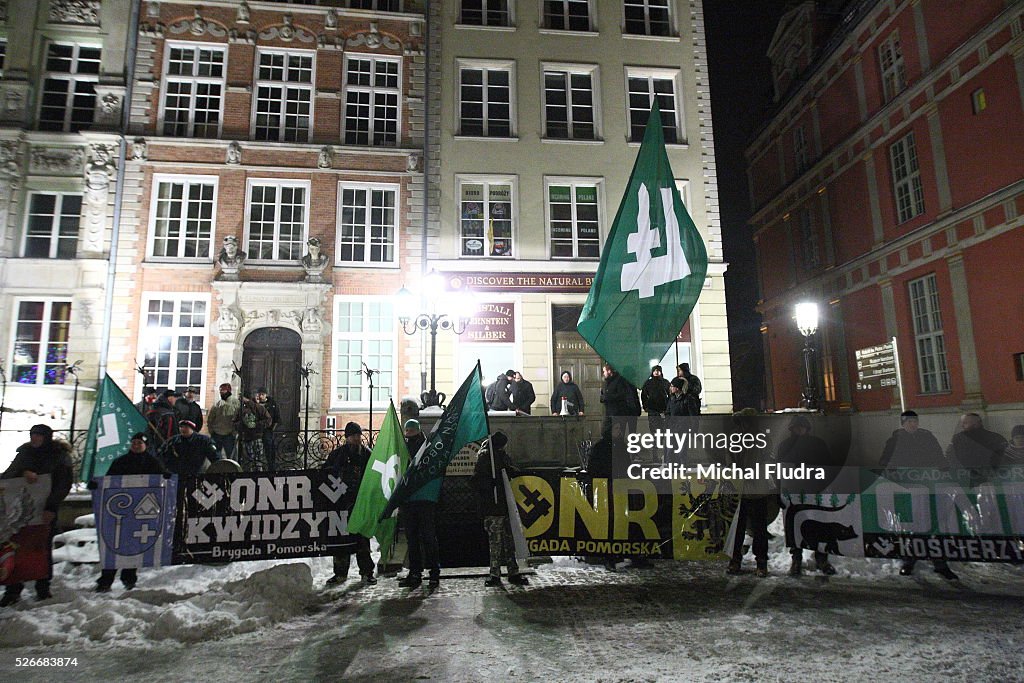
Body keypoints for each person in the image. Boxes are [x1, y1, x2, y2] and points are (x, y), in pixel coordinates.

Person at [879, 410, 957, 580]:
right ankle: (909, 560)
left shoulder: (927, 437)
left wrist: (943, 466)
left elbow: (938, 455)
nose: (912, 424)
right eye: (909, 422)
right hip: (907, 489)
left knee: (933, 524)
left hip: (929, 487)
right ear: (903, 424)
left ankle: (940, 563)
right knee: (912, 527)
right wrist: (891, 470)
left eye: (914, 421)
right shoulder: (894, 440)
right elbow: (884, 461)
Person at [1, 424, 73, 606]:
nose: (34, 439)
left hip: (44, 511)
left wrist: (51, 507)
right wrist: (22, 472)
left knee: (41, 546)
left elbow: (62, 484)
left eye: (38, 435)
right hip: (19, 513)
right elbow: (9, 477)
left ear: (46, 437)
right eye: (32, 435)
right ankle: (13, 588)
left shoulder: (59, 457)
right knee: (16, 545)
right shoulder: (24, 454)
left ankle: (43, 586)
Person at [95, 433, 166, 592]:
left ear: (145, 445)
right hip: (120, 511)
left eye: (139, 443)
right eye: (134, 442)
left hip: (140, 512)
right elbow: (109, 481)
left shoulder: (152, 463)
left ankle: (129, 578)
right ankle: (106, 580)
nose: (136, 445)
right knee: (115, 544)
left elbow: (162, 480)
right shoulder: (120, 462)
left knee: (133, 546)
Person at [777, 415, 840, 576]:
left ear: (807, 428)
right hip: (794, 492)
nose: (799, 430)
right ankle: (796, 559)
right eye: (796, 427)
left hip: (814, 490)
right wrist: (779, 489)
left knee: (819, 526)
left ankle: (821, 559)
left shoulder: (817, 444)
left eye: (801, 427)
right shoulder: (785, 445)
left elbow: (829, 465)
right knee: (794, 526)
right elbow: (778, 468)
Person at [471, 431, 527, 586]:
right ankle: (499, 573)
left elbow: (513, 470)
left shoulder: (499, 458)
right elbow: (476, 481)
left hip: (503, 506)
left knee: (507, 542)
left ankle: (508, 571)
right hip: (494, 506)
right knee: (498, 542)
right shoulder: (486, 459)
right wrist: (491, 484)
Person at [324, 422, 376, 586]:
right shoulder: (337, 455)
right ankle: (340, 573)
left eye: (358, 435)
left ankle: (367, 572)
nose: (357, 439)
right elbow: (327, 474)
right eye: (353, 435)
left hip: (360, 503)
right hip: (341, 503)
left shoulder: (367, 454)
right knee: (341, 541)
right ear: (347, 437)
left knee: (362, 540)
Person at [727, 410, 771, 578]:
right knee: (739, 529)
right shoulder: (736, 436)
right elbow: (730, 459)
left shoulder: (761, 437)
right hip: (743, 489)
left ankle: (760, 562)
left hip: (755, 489)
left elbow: (767, 459)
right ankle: (736, 560)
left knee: (758, 529)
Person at [399, 420, 439, 589]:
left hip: (422, 500)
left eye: (410, 430)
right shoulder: (404, 447)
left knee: (426, 537)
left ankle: (432, 572)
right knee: (413, 538)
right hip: (411, 501)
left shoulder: (425, 448)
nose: (408, 433)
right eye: (406, 430)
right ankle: (417, 572)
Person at [946, 413, 1008, 482]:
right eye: (962, 423)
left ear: (976, 423)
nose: (962, 425)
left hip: (991, 478)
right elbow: (950, 456)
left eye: (965, 423)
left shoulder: (995, 438)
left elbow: (1004, 458)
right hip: (965, 478)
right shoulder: (957, 439)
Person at [600, 363, 640, 440]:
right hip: (616, 413)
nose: (603, 373)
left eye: (604, 371)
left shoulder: (618, 381)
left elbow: (622, 395)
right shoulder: (609, 382)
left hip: (618, 413)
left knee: (621, 434)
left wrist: (607, 397)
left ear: (609, 371)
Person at [234, 396, 272, 471]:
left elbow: (268, 420)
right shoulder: (240, 410)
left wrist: (256, 425)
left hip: (256, 437)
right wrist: (243, 425)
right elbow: (235, 422)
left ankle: (258, 476)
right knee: (249, 461)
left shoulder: (259, 408)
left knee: (258, 461)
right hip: (247, 438)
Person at [208, 383, 240, 459]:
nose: (221, 392)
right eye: (220, 390)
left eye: (223, 390)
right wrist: (211, 430)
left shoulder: (236, 403)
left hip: (229, 434)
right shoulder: (217, 404)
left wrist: (234, 432)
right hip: (217, 434)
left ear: (228, 390)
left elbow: (239, 418)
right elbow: (210, 419)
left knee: (231, 457)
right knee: (215, 456)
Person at [255, 387, 281, 472]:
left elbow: (277, 417)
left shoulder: (272, 404)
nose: (261, 396)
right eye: (259, 394)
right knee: (256, 450)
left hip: (268, 430)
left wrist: (272, 429)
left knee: (269, 449)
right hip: (257, 430)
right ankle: (258, 467)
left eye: (262, 394)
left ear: (266, 395)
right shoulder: (255, 403)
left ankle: (271, 467)